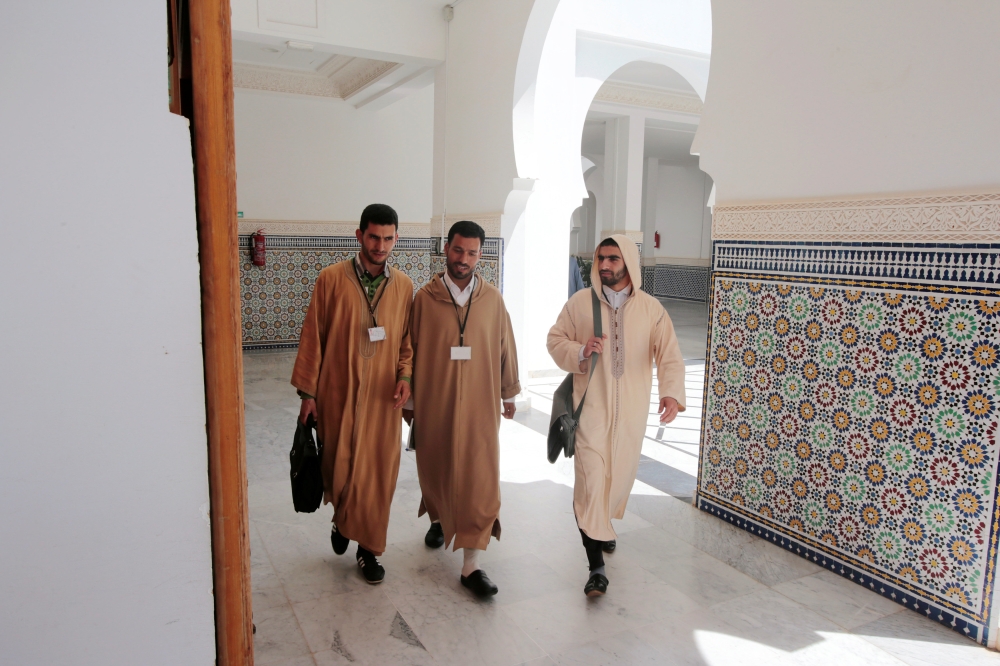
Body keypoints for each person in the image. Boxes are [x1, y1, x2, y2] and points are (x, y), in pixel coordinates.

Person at [546, 235, 686, 597]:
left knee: (618, 479)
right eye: (600, 259)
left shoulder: (651, 309)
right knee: (591, 483)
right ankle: (596, 568)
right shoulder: (580, 304)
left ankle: (601, 526)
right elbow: (554, 339)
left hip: (632, 417)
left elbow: (668, 354)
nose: (604, 265)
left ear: (628, 263)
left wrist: (671, 392)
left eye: (612, 259)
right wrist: (579, 350)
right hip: (591, 411)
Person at [291, 203, 413, 585]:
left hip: (381, 399)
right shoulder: (330, 279)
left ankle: (369, 549)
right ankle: (343, 521)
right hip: (337, 392)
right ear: (359, 235)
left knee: (378, 474)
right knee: (339, 467)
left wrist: (405, 376)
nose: (380, 245)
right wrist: (307, 395)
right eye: (373, 237)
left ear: (397, 239)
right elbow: (314, 337)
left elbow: (407, 342)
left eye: (388, 238)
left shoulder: (405, 286)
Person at [403, 220, 520, 597]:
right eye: (457, 250)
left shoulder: (493, 300)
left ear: (480, 254)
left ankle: (471, 566)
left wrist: (509, 392)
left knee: (480, 478)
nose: (463, 259)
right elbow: (409, 351)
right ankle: (439, 517)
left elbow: (506, 348)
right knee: (436, 469)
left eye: (471, 252)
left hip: (481, 409)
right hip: (436, 405)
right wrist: (409, 401)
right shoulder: (424, 298)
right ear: (446, 249)